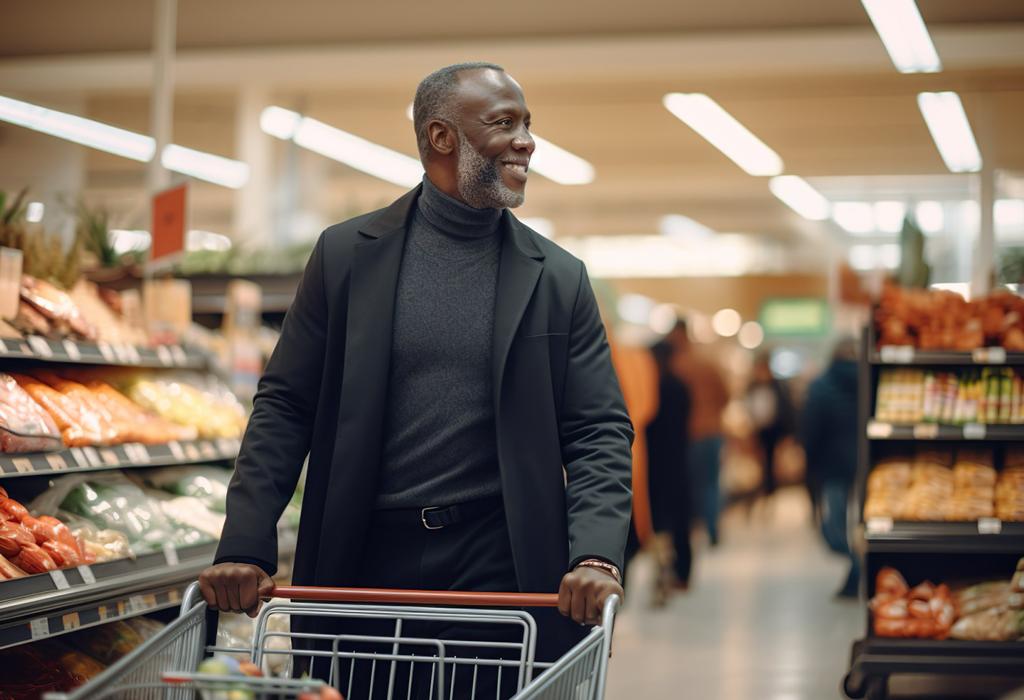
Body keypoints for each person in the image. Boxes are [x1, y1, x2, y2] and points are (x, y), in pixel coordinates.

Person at [199, 62, 633, 693]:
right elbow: (287, 404)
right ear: (441, 137)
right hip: (363, 559)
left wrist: (594, 553)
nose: (526, 141)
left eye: (528, 124)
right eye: (503, 122)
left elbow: (598, 429)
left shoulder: (557, 278)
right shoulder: (347, 255)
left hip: (502, 567)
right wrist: (244, 541)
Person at [800, 337, 860, 598]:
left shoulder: (821, 385)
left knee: (833, 528)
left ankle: (858, 563)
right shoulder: (870, 381)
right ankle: (859, 566)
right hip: (867, 463)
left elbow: (810, 428)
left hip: (832, 465)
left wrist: (809, 460)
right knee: (860, 523)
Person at [669, 319, 729, 546]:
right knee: (712, 483)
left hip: (689, 433)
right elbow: (725, 395)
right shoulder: (706, 361)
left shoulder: (676, 364)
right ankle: (712, 527)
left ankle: (695, 526)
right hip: (713, 431)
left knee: (692, 484)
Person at [645, 340, 693, 591]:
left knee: (660, 520)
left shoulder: (650, 388)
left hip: (654, 463)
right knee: (679, 519)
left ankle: (662, 572)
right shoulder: (679, 386)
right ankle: (682, 572)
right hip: (678, 459)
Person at [746, 352, 795, 505]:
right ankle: (766, 489)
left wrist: (787, 432)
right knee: (762, 462)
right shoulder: (752, 386)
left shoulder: (777, 386)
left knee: (771, 461)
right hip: (758, 429)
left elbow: (785, 408)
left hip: (774, 429)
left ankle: (770, 489)